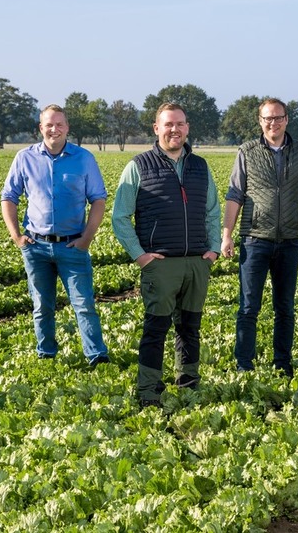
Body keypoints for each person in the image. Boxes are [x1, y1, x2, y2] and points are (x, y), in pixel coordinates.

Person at [111, 102, 222, 408]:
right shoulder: (139, 165)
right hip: (160, 264)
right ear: (156, 128)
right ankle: (149, 391)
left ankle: (188, 384)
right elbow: (120, 217)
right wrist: (140, 256)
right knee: (156, 328)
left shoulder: (200, 166)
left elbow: (212, 211)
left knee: (190, 327)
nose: (175, 130)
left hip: (197, 262)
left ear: (187, 128)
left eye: (181, 124)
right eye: (169, 124)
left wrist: (212, 250)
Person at [1, 104, 110, 366]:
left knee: (83, 304)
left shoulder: (83, 158)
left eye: (59, 124)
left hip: (72, 245)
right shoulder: (24, 158)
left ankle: (97, 356)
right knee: (41, 306)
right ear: (41, 128)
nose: (54, 129)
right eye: (49, 124)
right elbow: (8, 197)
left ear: (67, 128)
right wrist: (16, 236)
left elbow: (98, 199)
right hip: (36, 246)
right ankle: (46, 354)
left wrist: (86, 238)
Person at [221, 97, 298, 378]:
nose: (273, 123)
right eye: (268, 118)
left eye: (278, 117)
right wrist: (226, 234)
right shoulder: (247, 151)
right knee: (249, 306)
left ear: (287, 119)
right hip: (254, 239)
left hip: (289, 240)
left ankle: (283, 363)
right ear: (260, 121)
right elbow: (234, 194)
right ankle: (244, 363)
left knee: (285, 307)